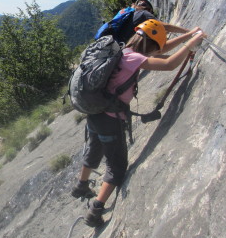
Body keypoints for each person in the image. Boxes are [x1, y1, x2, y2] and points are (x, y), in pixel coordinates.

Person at [71, 19, 206, 227]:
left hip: (95, 112)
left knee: (94, 147)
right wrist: (194, 41)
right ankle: (95, 211)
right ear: (150, 45)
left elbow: (162, 48)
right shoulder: (134, 59)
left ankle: (81, 185)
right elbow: (168, 64)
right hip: (111, 119)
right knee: (116, 167)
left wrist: (189, 36)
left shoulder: (123, 52)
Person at [114, 0, 189, 46]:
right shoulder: (144, 13)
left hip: (117, 44)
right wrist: (187, 32)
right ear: (149, 9)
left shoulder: (130, 14)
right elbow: (164, 26)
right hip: (126, 47)